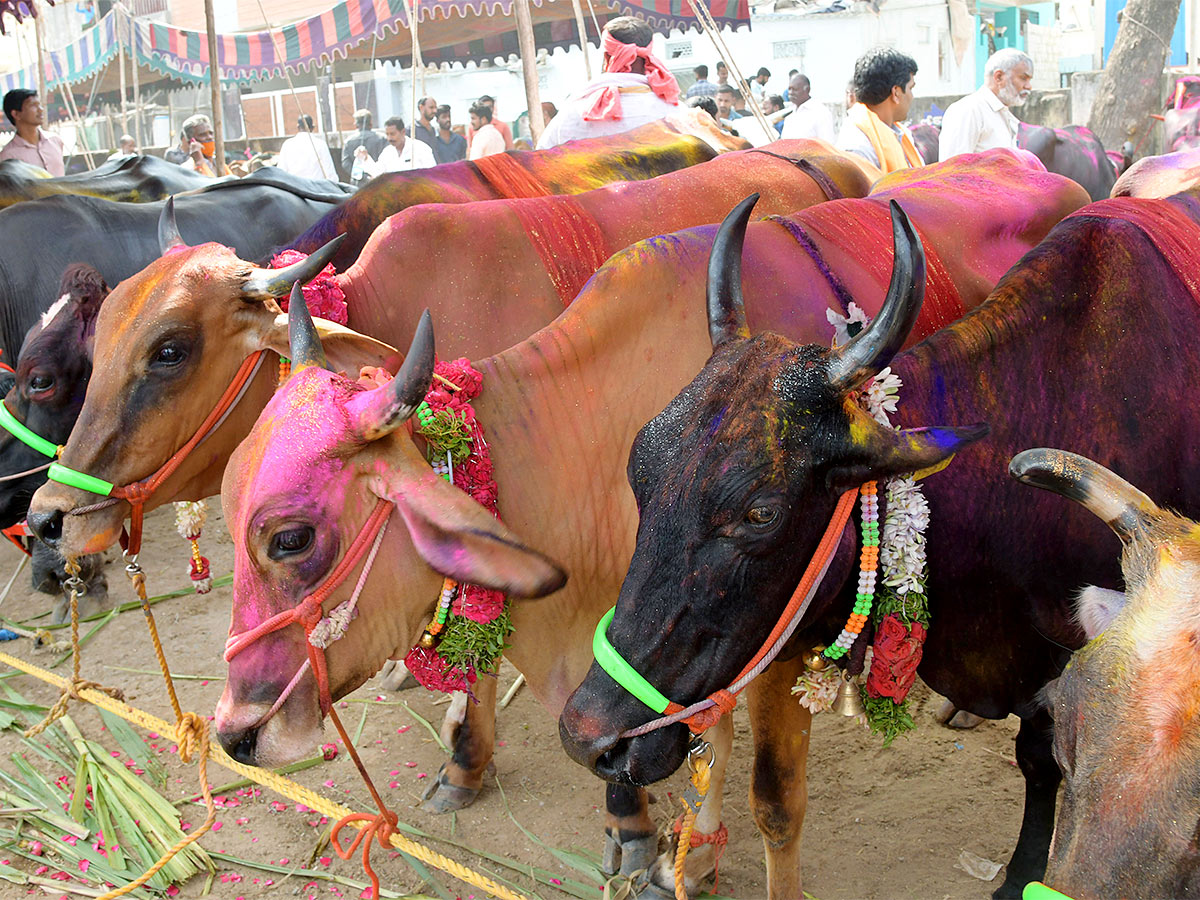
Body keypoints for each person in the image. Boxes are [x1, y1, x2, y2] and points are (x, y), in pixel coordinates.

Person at [536, 16, 681, 150]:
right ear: (649, 54)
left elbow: (539, 161)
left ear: (606, 57)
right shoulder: (678, 112)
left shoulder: (573, 113)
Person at [837, 47, 922, 173]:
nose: (912, 96)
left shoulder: (901, 134)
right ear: (896, 93)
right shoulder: (858, 149)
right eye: (910, 88)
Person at [938, 48, 1033, 160]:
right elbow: (952, 170)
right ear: (999, 77)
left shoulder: (1002, 113)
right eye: (1023, 78)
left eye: (1029, 80)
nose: (1028, 86)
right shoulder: (968, 110)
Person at [0, 89, 65, 175]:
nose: (41, 110)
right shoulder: (7, 157)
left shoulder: (55, 141)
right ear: (16, 114)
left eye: (39, 105)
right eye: (33, 105)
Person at [356, 115, 436, 175]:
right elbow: (377, 173)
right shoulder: (387, 152)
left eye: (392, 134)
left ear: (403, 132)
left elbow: (432, 174)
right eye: (387, 134)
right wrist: (366, 158)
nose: (389, 138)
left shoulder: (421, 148)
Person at [275, 115, 337, 181]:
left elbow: (281, 172)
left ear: (298, 127)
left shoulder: (287, 145)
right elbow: (330, 173)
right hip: (316, 188)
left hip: (294, 188)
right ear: (313, 127)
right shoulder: (320, 144)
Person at [781, 73, 835, 144]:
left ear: (807, 90)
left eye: (795, 89)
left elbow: (828, 144)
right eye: (789, 89)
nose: (791, 93)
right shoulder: (789, 114)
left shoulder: (820, 113)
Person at [342, 110, 387, 185]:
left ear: (356, 125)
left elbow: (345, 163)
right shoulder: (382, 139)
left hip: (358, 183)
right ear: (371, 124)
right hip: (379, 181)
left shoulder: (348, 141)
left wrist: (359, 175)